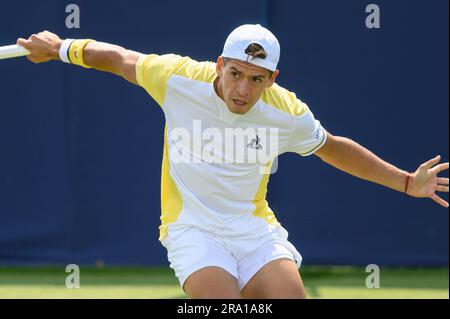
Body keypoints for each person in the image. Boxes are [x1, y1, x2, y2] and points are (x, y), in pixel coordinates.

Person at [17, 25, 448, 299]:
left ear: (272, 80)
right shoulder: (178, 78)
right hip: (192, 231)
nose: (243, 88)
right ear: (219, 65)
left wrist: (407, 182)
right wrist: (60, 48)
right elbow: (118, 58)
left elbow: (333, 147)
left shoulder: (287, 112)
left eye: (257, 79)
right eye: (236, 73)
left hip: (254, 231)